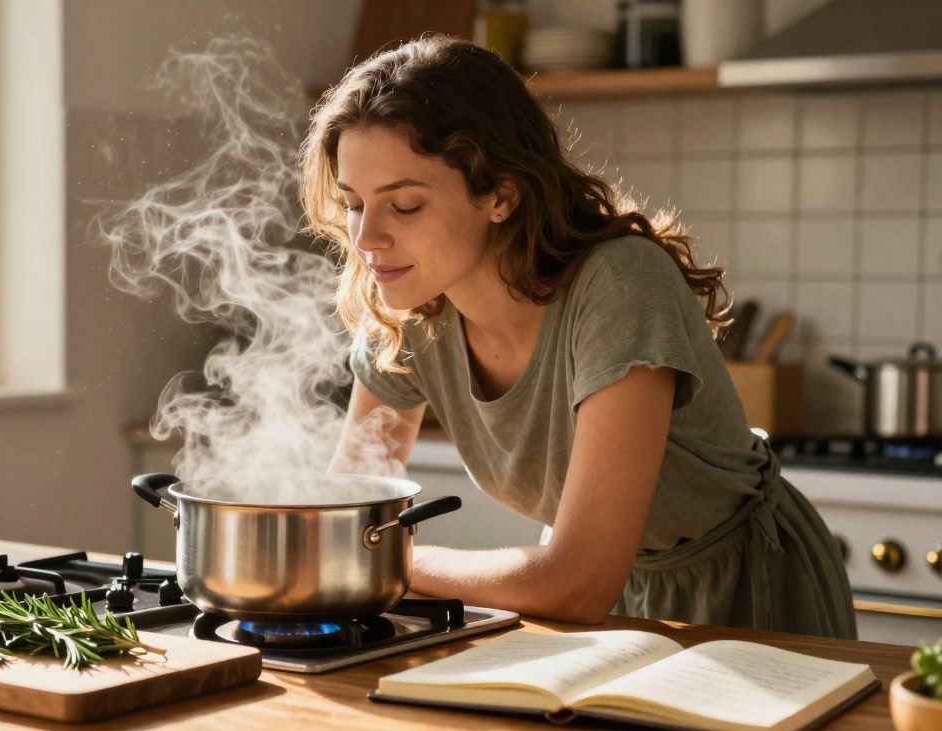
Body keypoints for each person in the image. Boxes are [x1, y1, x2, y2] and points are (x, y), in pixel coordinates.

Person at [304, 35, 854, 638]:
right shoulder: (409, 312)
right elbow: (348, 514)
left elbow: (577, 583)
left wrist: (386, 563)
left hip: (743, 590)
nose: (365, 238)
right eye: (354, 203)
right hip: (591, 610)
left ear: (500, 196)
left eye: (404, 205)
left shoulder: (619, 286)